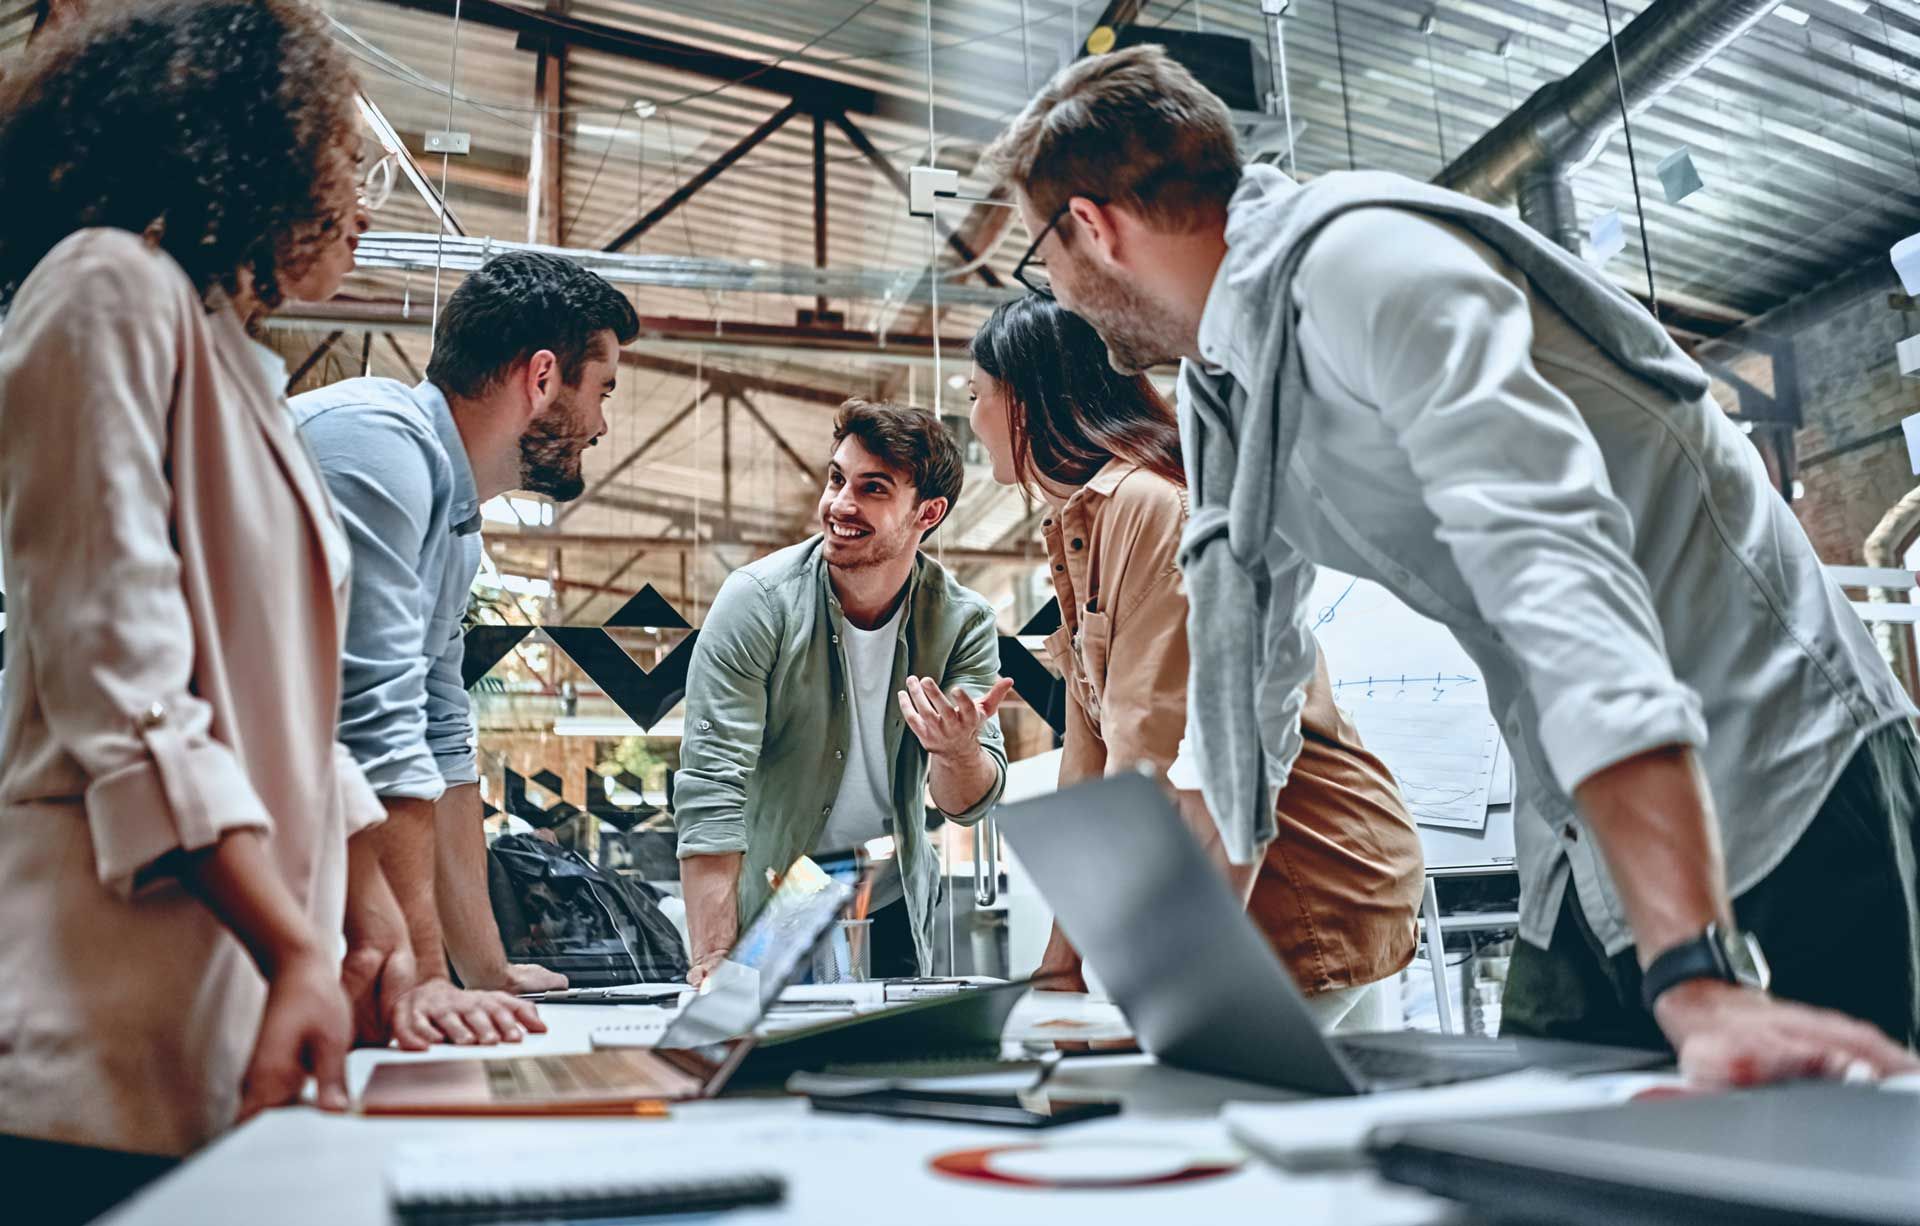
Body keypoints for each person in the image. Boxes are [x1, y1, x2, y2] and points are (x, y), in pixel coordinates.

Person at [980, 44, 1920, 1083]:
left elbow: (1558, 575)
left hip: (1774, 761)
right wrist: (1183, 997)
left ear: (1091, 228)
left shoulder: (1365, 264)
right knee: (1538, 1156)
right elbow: (1241, 686)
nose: (1058, 291)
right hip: (1581, 823)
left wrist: (1695, 970)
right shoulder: (1224, 393)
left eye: (1043, 257)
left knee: (1814, 1164)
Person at [0, 1, 419, 1214]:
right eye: (343, 156)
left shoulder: (233, 359)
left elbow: (282, 696)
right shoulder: (100, 289)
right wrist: (296, 939)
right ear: (247, 142)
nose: (363, 200)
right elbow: (123, 682)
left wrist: (363, 911)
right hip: (103, 1009)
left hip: (227, 994)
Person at [968, 295, 1425, 1031]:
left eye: (975, 396)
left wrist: (1117, 966)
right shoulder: (1082, 523)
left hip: (1308, 879)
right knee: (1293, 1134)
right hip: (1282, 883)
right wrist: (1060, 963)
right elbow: (1089, 750)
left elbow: (1140, 751)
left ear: (1023, 401)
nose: (971, 419)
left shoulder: (1143, 505)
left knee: (1216, 1127)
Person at [293, 251, 641, 1036]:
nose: (602, 425)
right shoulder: (376, 444)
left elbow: (441, 733)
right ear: (543, 377)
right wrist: (420, 976)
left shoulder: (454, 526)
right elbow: (374, 721)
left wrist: (485, 969)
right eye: (603, 389)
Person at [676, 399, 1011, 983]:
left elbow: (966, 803)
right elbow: (712, 784)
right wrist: (712, 956)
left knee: (893, 1067)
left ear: (927, 513)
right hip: (777, 899)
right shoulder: (757, 601)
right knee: (768, 1068)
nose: (840, 505)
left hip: (890, 896)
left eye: (873, 488)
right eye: (837, 479)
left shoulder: (963, 621)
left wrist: (957, 751)